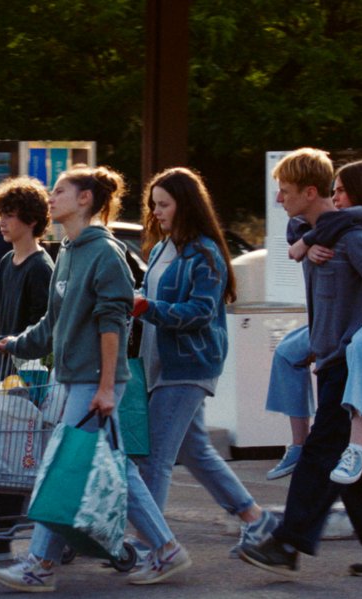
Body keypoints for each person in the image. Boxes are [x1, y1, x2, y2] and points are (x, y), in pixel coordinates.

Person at [0, 165, 190, 592]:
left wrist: (106, 388)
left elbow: (113, 323)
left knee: (64, 467)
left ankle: (40, 564)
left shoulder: (105, 253)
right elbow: (53, 321)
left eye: (60, 191)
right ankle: (167, 549)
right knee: (115, 471)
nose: (51, 198)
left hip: (95, 380)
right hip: (73, 378)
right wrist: (17, 344)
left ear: (85, 199)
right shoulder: (67, 251)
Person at [241, 148, 362, 578]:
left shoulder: (353, 238)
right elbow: (297, 232)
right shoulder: (313, 235)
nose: (278, 199)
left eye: (285, 191)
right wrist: (308, 241)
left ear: (309, 192)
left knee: (323, 451)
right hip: (330, 355)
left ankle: (287, 544)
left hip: (348, 359)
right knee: (359, 455)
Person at [131, 167, 279, 559]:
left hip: (189, 365)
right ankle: (256, 519)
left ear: (186, 205)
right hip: (160, 363)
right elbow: (152, 297)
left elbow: (200, 311)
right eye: (154, 205)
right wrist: (138, 302)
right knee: (195, 450)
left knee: (154, 457)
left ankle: (151, 542)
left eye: (164, 204)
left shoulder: (205, 253)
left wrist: (147, 308)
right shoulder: (161, 249)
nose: (156, 212)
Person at [264, 159, 362, 485]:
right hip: (359, 316)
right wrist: (309, 241)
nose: (334, 199)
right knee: (287, 352)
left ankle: (358, 444)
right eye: (333, 191)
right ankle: (299, 443)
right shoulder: (335, 227)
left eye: (340, 191)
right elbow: (298, 227)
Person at [0, 176, 56, 562]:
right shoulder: (7, 262)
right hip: (8, 370)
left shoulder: (41, 268)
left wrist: (23, 355)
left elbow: (45, 328)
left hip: (31, 373)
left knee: (8, 450)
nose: (1, 222)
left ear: (32, 220)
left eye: (10, 214)